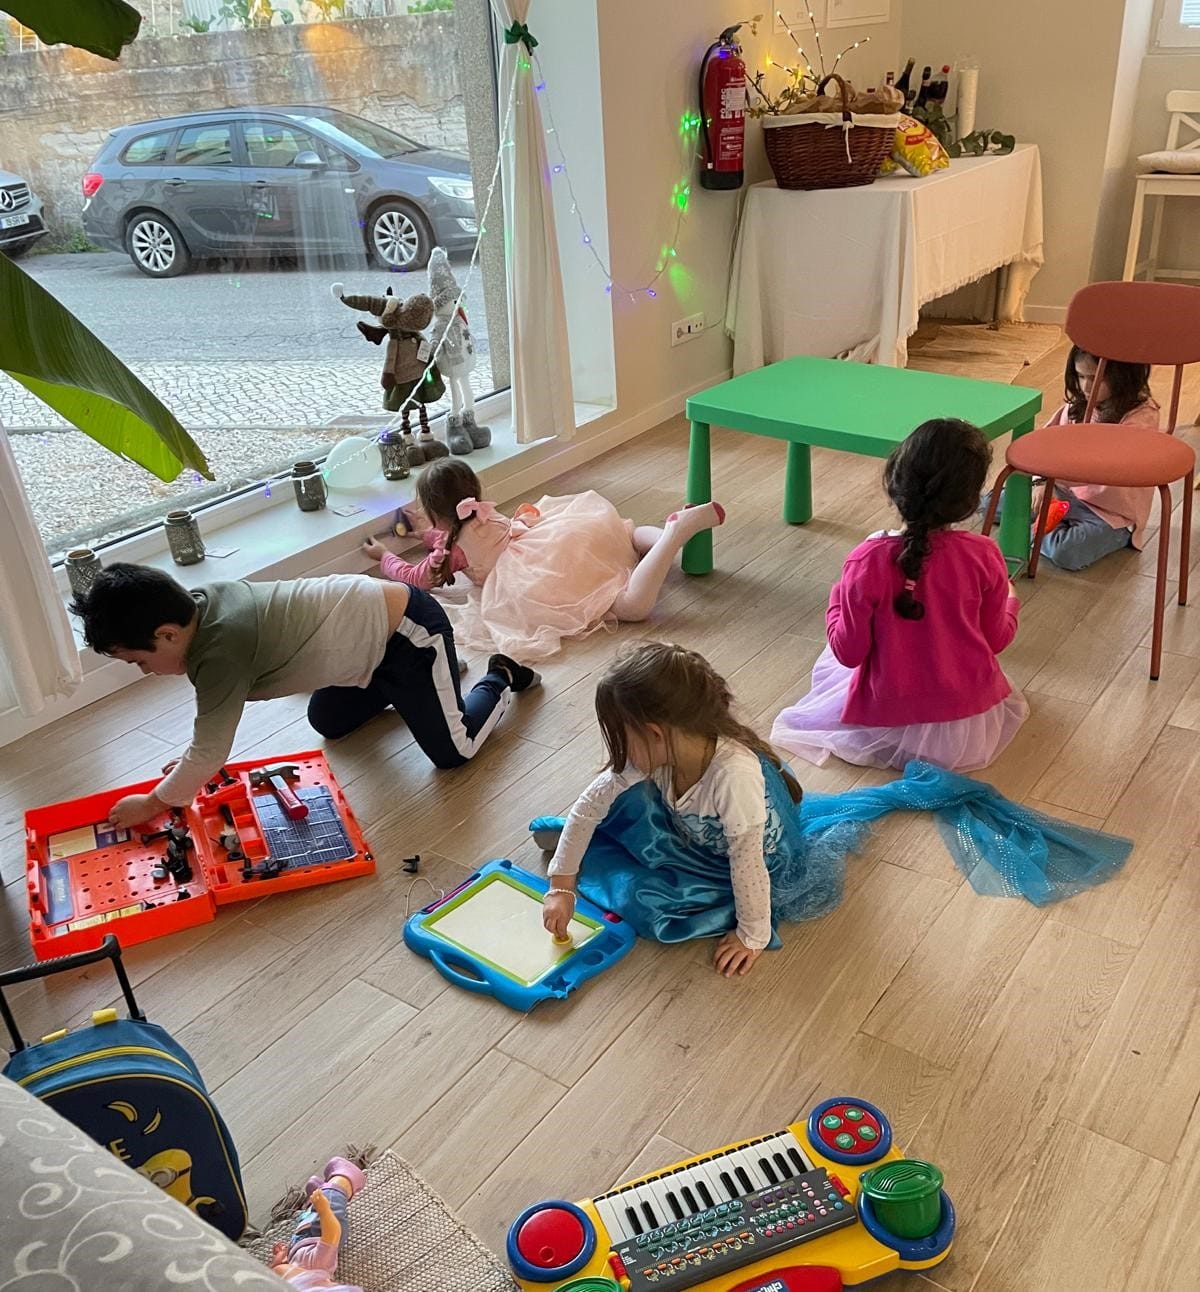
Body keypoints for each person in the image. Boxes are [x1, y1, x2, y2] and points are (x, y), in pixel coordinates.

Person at [70, 564, 539, 828]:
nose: (147, 671)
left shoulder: (219, 651)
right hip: (368, 648)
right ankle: (430, 681)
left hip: (408, 633)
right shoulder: (201, 604)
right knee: (328, 721)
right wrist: (195, 768)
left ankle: (497, 674)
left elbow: (211, 747)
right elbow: (207, 743)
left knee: (453, 752)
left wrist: (154, 802)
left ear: (168, 634)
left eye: (140, 661)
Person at [538, 642, 843, 979]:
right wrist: (561, 885)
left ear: (655, 734)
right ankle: (579, 847)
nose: (622, 753)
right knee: (623, 802)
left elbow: (748, 862)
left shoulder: (733, 778)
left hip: (737, 860)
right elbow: (589, 807)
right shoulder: (668, 747)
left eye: (624, 739)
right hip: (698, 831)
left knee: (649, 902)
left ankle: (589, 845)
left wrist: (752, 935)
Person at [772, 418, 1028, 772]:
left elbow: (847, 652)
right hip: (966, 725)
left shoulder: (867, 559)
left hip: (883, 716)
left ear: (894, 482)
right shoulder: (984, 553)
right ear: (970, 501)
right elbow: (996, 640)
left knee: (837, 658)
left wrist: (839, 596)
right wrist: (1011, 601)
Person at [362, 458, 725, 661]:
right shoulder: (480, 514)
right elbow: (447, 536)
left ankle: (674, 535)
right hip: (551, 536)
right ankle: (664, 538)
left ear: (435, 514)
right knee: (623, 533)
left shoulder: (453, 548)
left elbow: (417, 577)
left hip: (535, 576)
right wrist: (421, 534)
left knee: (630, 606)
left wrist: (385, 556)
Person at [989, 345, 1161, 571]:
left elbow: (1103, 469)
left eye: (1096, 378)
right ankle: (1045, 522)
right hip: (1061, 492)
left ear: (1123, 377)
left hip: (1108, 514)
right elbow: (1042, 446)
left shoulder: (1141, 419)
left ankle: (1034, 528)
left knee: (1067, 552)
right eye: (1080, 376)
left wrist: (1049, 484)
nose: (1086, 387)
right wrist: (1042, 483)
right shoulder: (1076, 406)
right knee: (990, 504)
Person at [271, 1155, 364, 1291]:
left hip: (304, 1236)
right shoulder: (320, 1263)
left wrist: (279, 1260)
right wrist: (324, 1209)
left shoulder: (293, 1273)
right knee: (332, 1200)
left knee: (309, 1215)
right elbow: (333, 1233)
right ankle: (346, 1178)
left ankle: (319, 1194)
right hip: (324, 1229)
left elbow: (272, 1273)